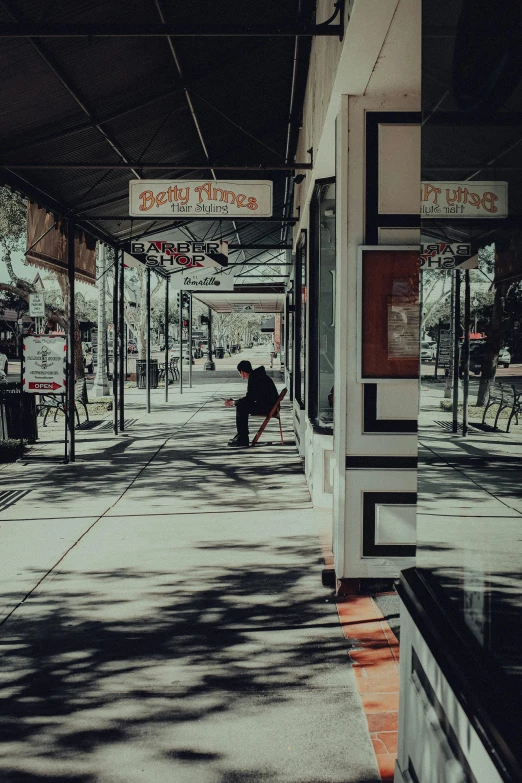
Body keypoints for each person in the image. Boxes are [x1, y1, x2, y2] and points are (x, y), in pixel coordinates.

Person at [224, 360, 279, 448]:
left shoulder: (255, 378)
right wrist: (235, 402)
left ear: (242, 372)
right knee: (241, 406)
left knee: (241, 408)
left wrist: (234, 402)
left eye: (239, 372)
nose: (240, 374)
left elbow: (249, 399)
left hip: (269, 408)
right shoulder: (257, 376)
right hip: (270, 405)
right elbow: (251, 398)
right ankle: (241, 435)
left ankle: (243, 438)